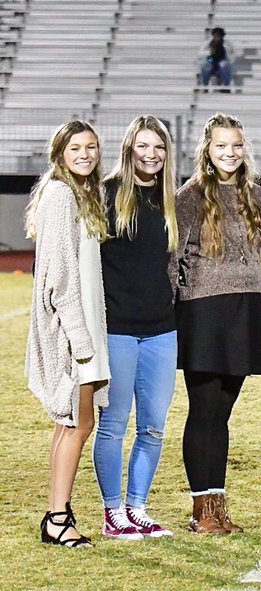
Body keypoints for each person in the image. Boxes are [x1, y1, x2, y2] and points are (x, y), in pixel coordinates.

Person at [172, 113, 261, 534]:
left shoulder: (256, 195)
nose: (229, 153)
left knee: (222, 414)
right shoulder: (190, 195)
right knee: (204, 411)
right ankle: (202, 514)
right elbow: (172, 258)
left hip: (244, 308)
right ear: (207, 151)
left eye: (235, 145)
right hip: (203, 310)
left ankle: (217, 507)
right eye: (220, 146)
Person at [92, 116, 180, 541]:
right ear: (129, 149)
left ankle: (138, 507)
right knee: (113, 425)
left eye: (159, 147)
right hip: (118, 330)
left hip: (162, 331)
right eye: (143, 146)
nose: (151, 154)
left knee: (153, 426)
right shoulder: (107, 195)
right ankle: (112, 513)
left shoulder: (170, 199)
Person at [26, 119, 110, 548]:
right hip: (74, 334)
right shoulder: (60, 195)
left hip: (86, 329)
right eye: (75, 147)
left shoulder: (83, 194)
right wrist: (79, 339)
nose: (84, 154)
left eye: (91, 147)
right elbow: (58, 277)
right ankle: (58, 518)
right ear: (60, 153)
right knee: (78, 422)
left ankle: (57, 514)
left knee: (73, 422)